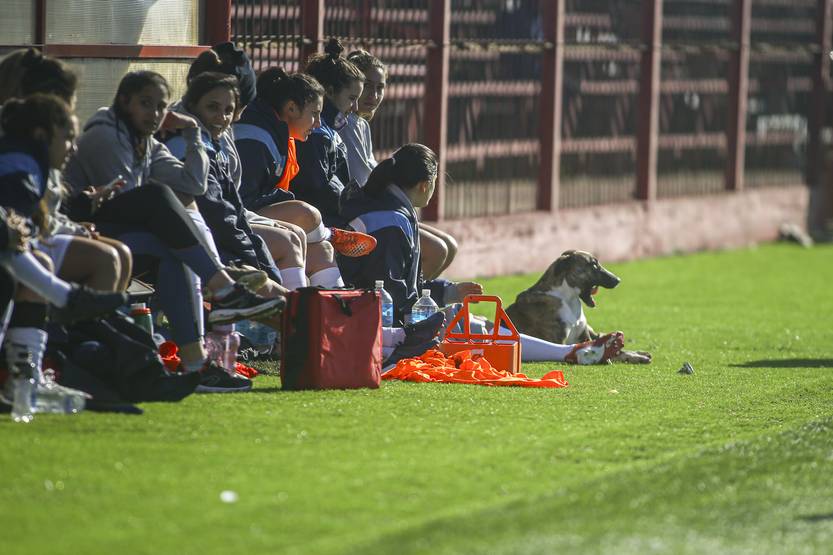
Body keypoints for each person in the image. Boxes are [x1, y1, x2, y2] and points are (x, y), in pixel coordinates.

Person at [64, 72, 283, 391]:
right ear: (123, 101)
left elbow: (192, 184)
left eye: (160, 106)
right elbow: (123, 200)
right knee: (156, 198)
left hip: (119, 238)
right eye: (145, 104)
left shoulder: (148, 142)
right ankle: (222, 286)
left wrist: (194, 131)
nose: (154, 114)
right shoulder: (105, 134)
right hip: (82, 236)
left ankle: (196, 367)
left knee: (173, 254)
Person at [339, 144, 625, 364]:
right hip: (379, 330)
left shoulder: (392, 211)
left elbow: (398, 287)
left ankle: (570, 352)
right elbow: (387, 292)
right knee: (472, 329)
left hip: (379, 320)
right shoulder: (392, 220)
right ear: (425, 185)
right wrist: (432, 310)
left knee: (476, 324)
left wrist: (449, 292)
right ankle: (569, 353)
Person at [0, 47, 132, 292]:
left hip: (29, 235)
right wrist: (76, 230)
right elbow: (28, 215)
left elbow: (45, 210)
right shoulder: (26, 142)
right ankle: (83, 323)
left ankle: (96, 320)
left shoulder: (40, 139)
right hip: (20, 242)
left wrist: (77, 228)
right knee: (107, 259)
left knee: (121, 253)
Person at [234, 65, 376, 288]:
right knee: (304, 216)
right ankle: (293, 316)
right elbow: (241, 202)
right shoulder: (255, 140)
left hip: (254, 216)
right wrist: (283, 200)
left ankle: (334, 316)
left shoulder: (281, 134)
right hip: (233, 223)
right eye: (314, 114)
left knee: (322, 251)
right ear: (291, 108)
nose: (318, 124)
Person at [341, 49, 458, 280]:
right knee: (437, 250)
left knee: (449, 245)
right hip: (355, 213)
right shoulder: (346, 124)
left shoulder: (361, 125)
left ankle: (414, 298)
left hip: (374, 207)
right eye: (367, 85)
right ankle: (408, 304)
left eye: (380, 87)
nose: (373, 94)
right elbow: (361, 179)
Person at [294, 38, 365, 226]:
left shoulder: (328, 129)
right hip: (321, 219)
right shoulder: (316, 134)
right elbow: (319, 189)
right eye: (351, 98)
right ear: (330, 92)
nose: (355, 106)